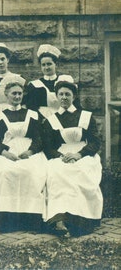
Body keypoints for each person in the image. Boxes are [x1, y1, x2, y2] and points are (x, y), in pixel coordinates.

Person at [0, 74, 47, 232]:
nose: (17, 96)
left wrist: (30, 151)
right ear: (6, 95)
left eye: (19, 93)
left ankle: (31, 220)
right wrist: (5, 153)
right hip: (6, 151)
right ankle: (6, 220)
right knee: (4, 172)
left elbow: (39, 138)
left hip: (28, 150)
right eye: (14, 93)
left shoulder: (33, 114)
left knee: (32, 172)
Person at [42, 79, 103, 237]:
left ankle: (81, 220)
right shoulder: (51, 120)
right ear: (56, 96)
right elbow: (48, 147)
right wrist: (61, 156)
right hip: (61, 156)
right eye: (60, 94)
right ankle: (59, 219)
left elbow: (96, 142)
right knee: (57, 173)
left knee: (80, 172)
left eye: (67, 94)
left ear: (74, 96)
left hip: (84, 154)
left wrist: (79, 154)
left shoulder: (86, 116)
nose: (63, 97)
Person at [24, 44, 78, 121]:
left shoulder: (65, 81)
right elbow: (31, 107)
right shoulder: (34, 85)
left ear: (56, 64)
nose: (46, 67)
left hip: (63, 119)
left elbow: (74, 104)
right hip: (41, 121)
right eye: (43, 65)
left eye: (49, 64)